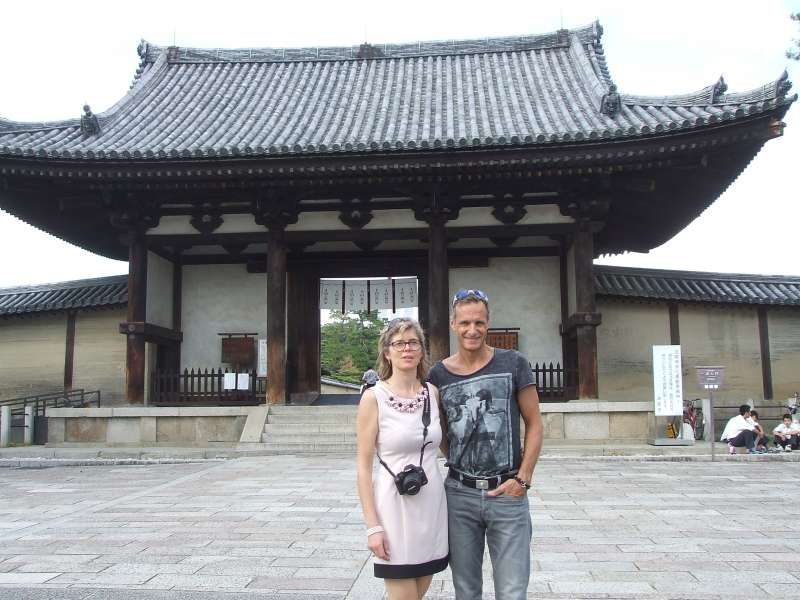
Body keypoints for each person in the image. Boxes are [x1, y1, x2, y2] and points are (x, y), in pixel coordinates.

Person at [427, 289, 544, 600]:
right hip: (459, 494)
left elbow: (535, 423)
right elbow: (438, 429)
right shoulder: (438, 374)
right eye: (465, 323)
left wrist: (523, 478)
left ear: (488, 322)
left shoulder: (513, 363)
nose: (472, 330)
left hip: (508, 491)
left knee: (512, 590)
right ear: (453, 324)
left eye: (479, 322)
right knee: (466, 590)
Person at [355, 318, 448, 600]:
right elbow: (362, 467)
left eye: (413, 342)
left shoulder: (432, 393)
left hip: (431, 505)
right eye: (398, 343)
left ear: (421, 350)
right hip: (393, 509)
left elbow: (441, 446)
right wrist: (373, 527)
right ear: (387, 351)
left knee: (417, 594)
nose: (406, 349)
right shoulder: (374, 398)